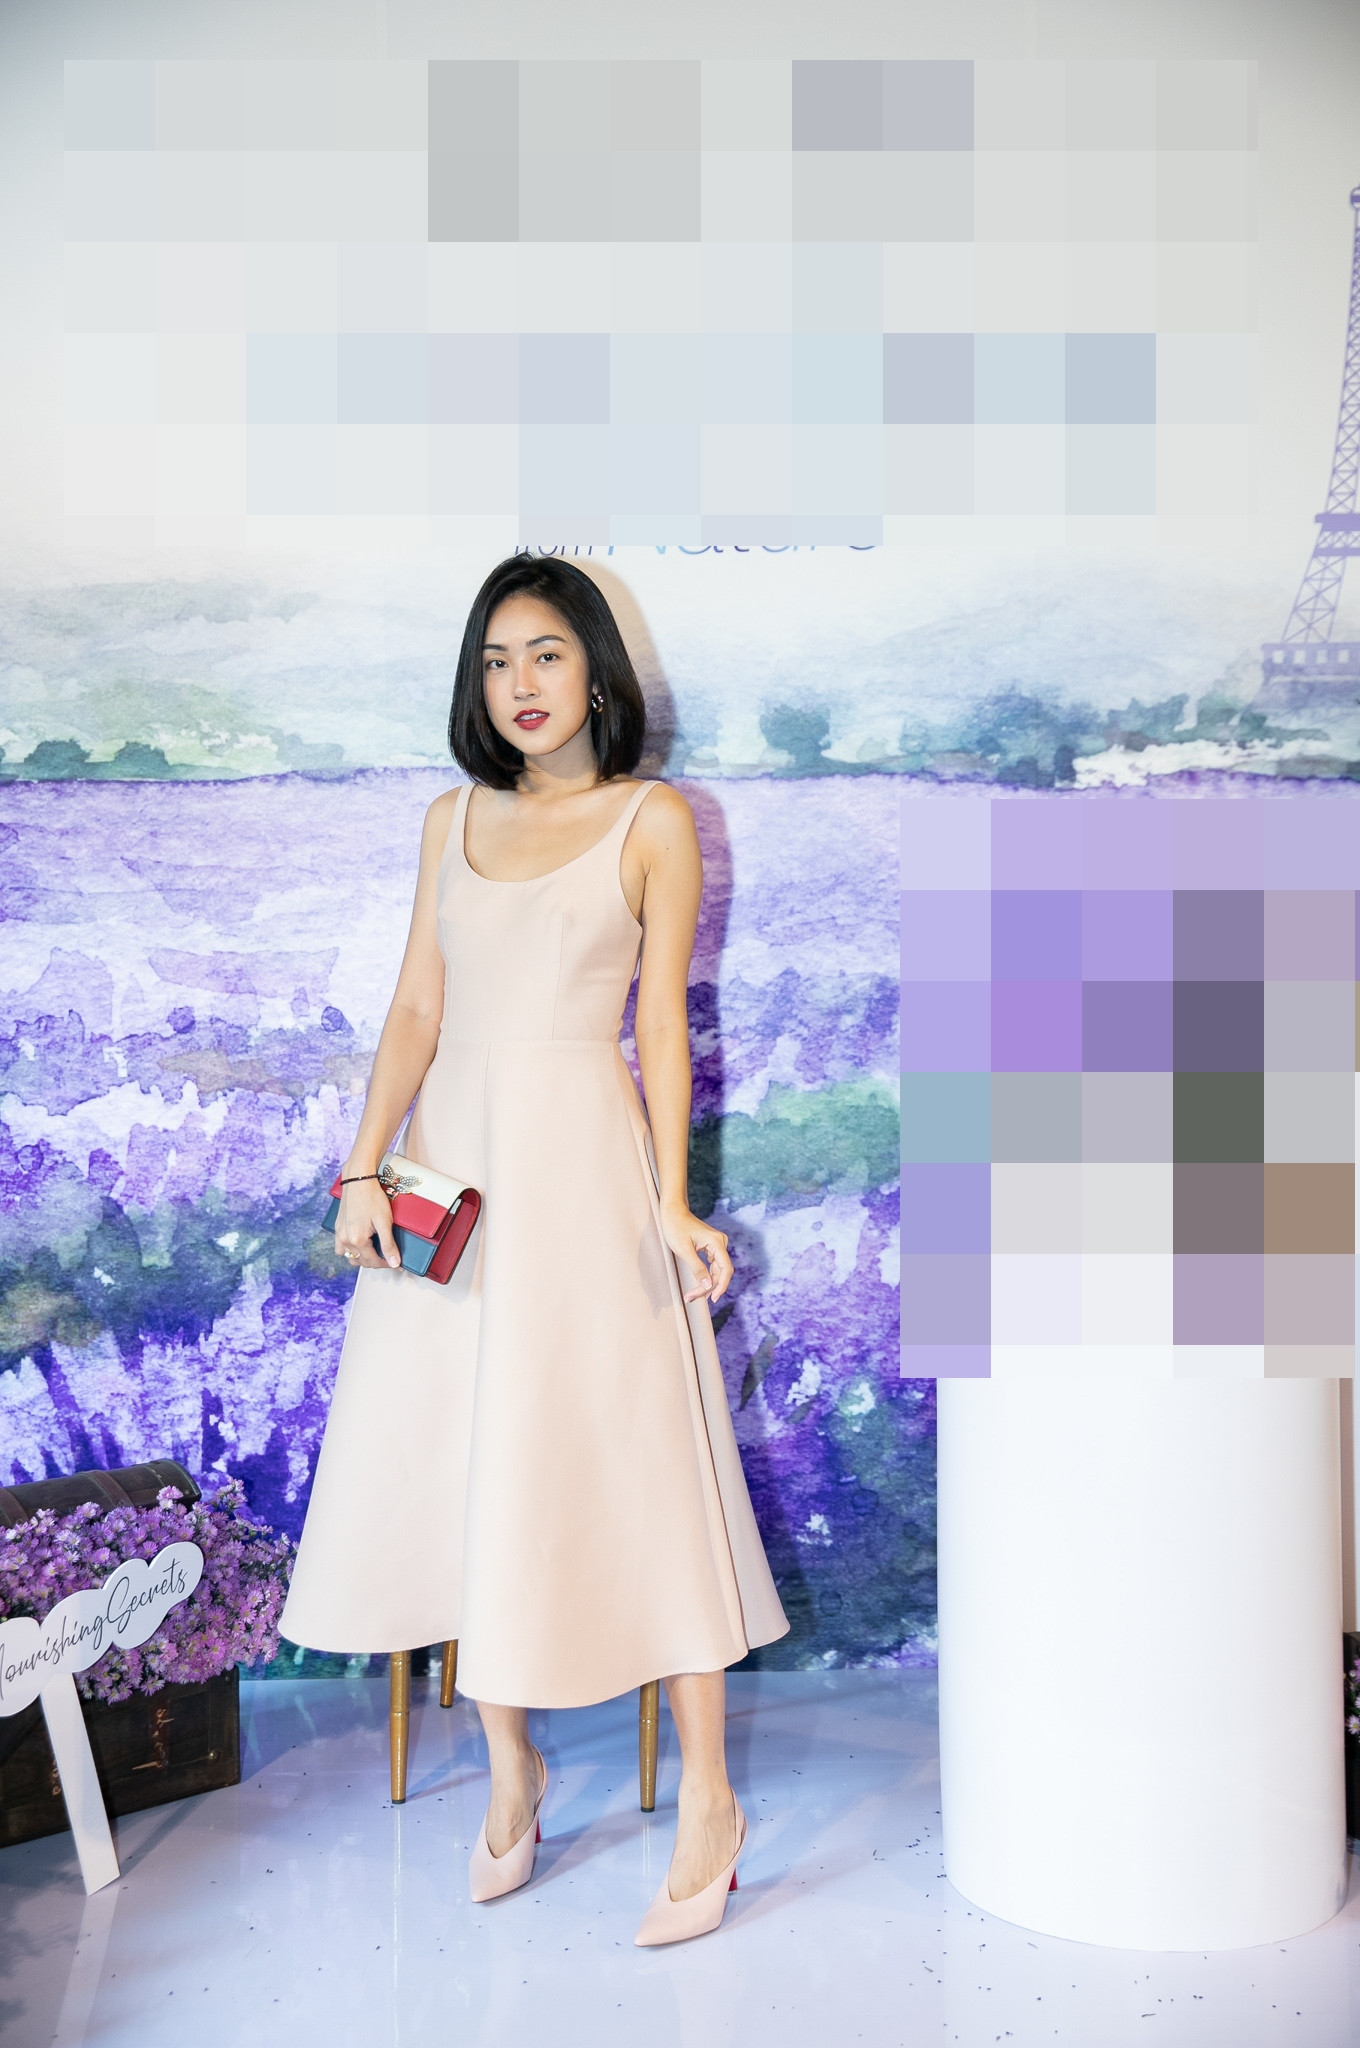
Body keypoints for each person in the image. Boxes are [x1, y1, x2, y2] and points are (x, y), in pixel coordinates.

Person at [281, 554, 788, 1945]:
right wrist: (360, 1168)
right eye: (498, 659)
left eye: (548, 653)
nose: (521, 683)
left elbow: (664, 1023)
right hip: (449, 1174)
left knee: (644, 1461)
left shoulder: (653, 818)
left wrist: (673, 1203)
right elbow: (414, 1011)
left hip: (583, 1168)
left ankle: (710, 1802)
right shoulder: (448, 820)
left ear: (595, 670)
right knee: (458, 1448)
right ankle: (510, 1771)